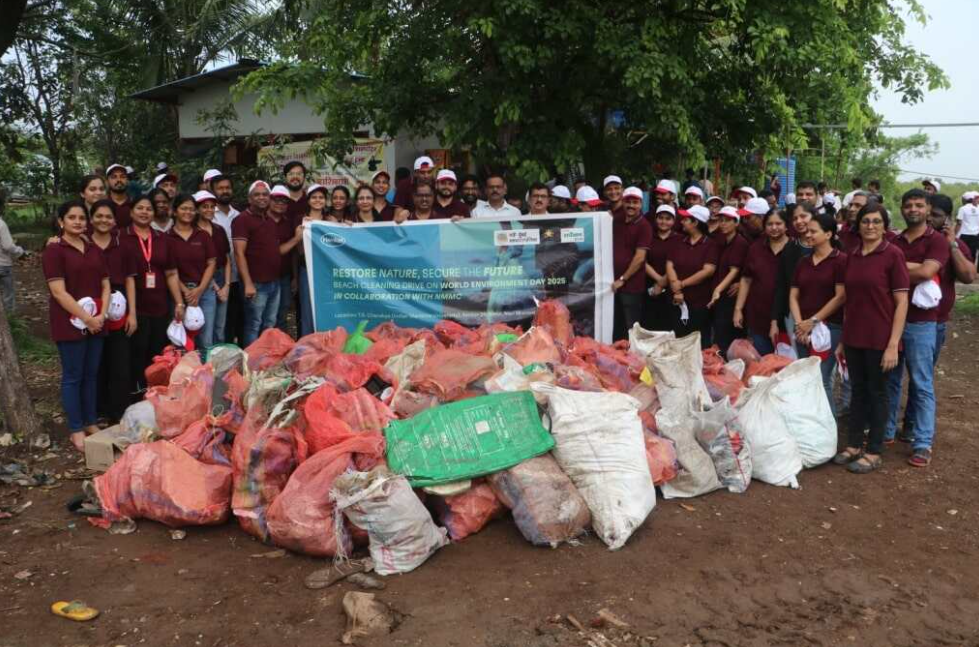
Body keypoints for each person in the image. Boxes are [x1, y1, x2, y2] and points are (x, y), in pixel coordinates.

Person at [833, 202, 909, 473]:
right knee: (857, 392)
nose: (871, 226)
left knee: (878, 394)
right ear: (858, 224)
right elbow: (848, 301)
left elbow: (901, 302)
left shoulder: (893, 255)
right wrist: (843, 339)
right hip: (854, 336)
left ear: (884, 225)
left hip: (881, 338)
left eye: (877, 221)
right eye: (866, 221)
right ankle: (854, 444)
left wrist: (892, 345)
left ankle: (874, 450)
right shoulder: (851, 255)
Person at [883, 189, 949, 467]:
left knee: (921, 384)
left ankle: (922, 443)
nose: (913, 209)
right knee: (890, 380)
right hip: (891, 319)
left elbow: (925, 272)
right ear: (901, 208)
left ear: (928, 208)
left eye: (919, 205)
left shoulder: (937, 241)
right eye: (908, 205)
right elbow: (885, 270)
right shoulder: (893, 240)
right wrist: (912, 267)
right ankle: (885, 432)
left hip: (923, 323)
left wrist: (896, 268)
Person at [43, 200, 111, 451]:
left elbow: (106, 284)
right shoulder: (54, 251)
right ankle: (75, 428)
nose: (78, 222)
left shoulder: (93, 248)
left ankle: (90, 421)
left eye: (82, 218)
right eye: (72, 217)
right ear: (61, 221)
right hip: (69, 322)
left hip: (97, 322)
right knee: (73, 376)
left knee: (91, 375)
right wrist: (88, 318)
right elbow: (58, 292)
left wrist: (102, 315)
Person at [122, 195, 183, 395]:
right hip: (134, 307)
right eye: (139, 208)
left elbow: (172, 273)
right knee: (135, 354)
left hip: (160, 305)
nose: (144, 212)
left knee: (156, 354)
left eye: (148, 209)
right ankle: (136, 394)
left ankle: (155, 394)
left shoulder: (161, 239)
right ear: (131, 212)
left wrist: (179, 303)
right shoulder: (122, 237)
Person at [789, 211, 848, 415]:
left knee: (820, 380)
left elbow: (840, 297)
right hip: (803, 328)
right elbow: (793, 295)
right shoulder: (803, 262)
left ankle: (828, 429)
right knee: (805, 379)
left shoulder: (841, 261)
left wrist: (813, 321)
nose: (809, 235)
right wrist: (799, 324)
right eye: (808, 231)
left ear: (829, 234)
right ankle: (809, 426)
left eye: (814, 231)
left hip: (829, 328)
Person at [88, 200, 137, 423]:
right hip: (92, 306)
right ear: (91, 218)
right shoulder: (84, 244)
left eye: (108, 216)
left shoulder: (123, 245)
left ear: (115, 220)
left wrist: (133, 314)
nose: (104, 220)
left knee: (120, 364)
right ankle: (98, 410)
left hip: (119, 307)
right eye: (99, 216)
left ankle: (119, 413)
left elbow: (129, 280)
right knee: (97, 363)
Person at [232, 181, 281, 346]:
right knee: (253, 325)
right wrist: (247, 283)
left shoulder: (271, 221)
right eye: (257, 194)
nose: (262, 197)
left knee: (269, 325)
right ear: (249, 199)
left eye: (265, 194)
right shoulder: (242, 220)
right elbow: (239, 253)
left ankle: (264, 362)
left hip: (274, 283)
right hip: (256, 285)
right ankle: (250, 364)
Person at [734, 209, 789, 354]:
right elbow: (746, 279)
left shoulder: (794, 249)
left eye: (779, 223)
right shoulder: (755, 249)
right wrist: (738, 309)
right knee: (761, 364)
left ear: (787, 226)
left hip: (786, 317)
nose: (774, 227)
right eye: (770, 224)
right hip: (758, 315)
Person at [929, 193, 976, 361]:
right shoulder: (904, 240)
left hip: (935, 321)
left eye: (935, 215)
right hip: (901, 319)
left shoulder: (955, 244)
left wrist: (952, 246)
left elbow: (969, 276)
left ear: (947, 218)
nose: (929, 219)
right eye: (927, 214)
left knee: (922, 377)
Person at [168, 194, 217, 349]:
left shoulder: (202, 235)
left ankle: (205, 372)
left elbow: (211, 263)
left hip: (205, 292)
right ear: (175, 211)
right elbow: (170, 270)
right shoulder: (167, 237)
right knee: (181, 340)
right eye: (184, 208)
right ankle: (185, 373)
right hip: (179, 294)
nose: (188, 212)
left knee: (206, 340)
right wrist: (187, 293)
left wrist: (200, 289)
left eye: (191, 209)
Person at [666, 205, 718, 346]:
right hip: (677, 299)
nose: (682, 221)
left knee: (698, 341)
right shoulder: (679, 241)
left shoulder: (710, 245)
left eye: (686, 219)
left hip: (699, 302)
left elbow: (708, 270)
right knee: (677, 339)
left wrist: (682, 284)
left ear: (695, 223)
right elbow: (670, 264)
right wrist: (676, 288)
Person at [770, 203, 816, 351]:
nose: (799, 221)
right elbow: (782, 286)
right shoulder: (790, 248)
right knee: (799, 360)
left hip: (824, 317)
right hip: (794, 314)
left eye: (803, 216)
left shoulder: (829, 245)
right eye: (795, 218)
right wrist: (775, 320)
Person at [611, 187, 650, 341]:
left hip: (631, 286)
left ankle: (633, 362)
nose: (631, 206)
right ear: (623, 202)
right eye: (628, 202)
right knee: (616, 325)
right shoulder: (616, 219)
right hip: (612, 284)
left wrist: (623, 279)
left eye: (635, 202)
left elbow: (640, 257)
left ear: (641, 204)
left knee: (631, 328)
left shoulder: (644, 226)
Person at [709, 206, 749, 355]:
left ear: (736, 223)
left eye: (727, 221)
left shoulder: (740, 243)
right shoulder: (723, 241)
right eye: (721, 221)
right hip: (722, 298)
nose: (723, 224)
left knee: (728, 340)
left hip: (731, 298)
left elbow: (734, 271)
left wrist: (718, 290)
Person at [209, 172, 244, 345]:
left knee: (232, 321)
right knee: (215, 323)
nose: (225, 191)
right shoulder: (209, 215)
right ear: (213, 190)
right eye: (220, 188)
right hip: (215, 277)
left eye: (227, 188)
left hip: (236, 276)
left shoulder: (238, 215)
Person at [194, 190, 231, 348]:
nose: (209, 210)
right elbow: (202, 264)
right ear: (197, 209)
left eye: (211, 206)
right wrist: (217, 288)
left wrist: (227, 286)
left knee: (219, 327)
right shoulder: (194, 231)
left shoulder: (219, 229)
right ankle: (205, 366)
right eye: (204, 206)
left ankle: (219, 364)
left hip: (222, 277)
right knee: (206, 329)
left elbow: (227, 259)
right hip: (205, 279)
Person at [268, 185, 303, 334]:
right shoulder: (261, 221)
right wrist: (296, 239)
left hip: (285, 276)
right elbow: (275, 252)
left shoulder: (289, 222)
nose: (280, 203)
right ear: (269, 200)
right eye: (276, 200)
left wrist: (295, 277)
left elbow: (294, 253)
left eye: (284, 201)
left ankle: (280, 348)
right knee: (264, 318)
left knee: (283, 315)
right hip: (264, 278)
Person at [296, 184, 329, 337]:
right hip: (307, 270)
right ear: (308, 201)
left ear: (325, 201)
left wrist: (347, 226)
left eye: (321, 197)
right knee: (307, 310)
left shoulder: (330, 220)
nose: (318, 200)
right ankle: (307, 344)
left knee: (326, 306)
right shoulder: (301, 221)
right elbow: (299, 251)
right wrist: (304, 230)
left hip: (326, 272)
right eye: (314, 197)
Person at [643, 204, 679, 331]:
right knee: (649, 324)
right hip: (649, 286)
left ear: (674, 221)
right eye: (661, 218)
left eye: (668, 219)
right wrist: (658, 280)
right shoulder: (648, 236)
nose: (663, 222)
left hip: (671, 288)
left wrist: (663, 283)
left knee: (668, 326)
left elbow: (678, 263)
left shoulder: (679, 239)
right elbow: (643, 260)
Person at [0, 199, 25, 314]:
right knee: (8, 294)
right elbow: (8, 246)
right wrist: (20, 251)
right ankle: (10, 321)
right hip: (3, 265)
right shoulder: (1, 224)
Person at [105, 164, 133, 229]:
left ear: (127, 180)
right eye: (114, 177)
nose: (119, 180)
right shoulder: (102, 204)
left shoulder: (135, 204)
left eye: (123, 177)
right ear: (107, 182)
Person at [955, 191, 979, 260]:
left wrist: (955, 235)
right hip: (975, 235)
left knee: (962, 254)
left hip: (964, 235)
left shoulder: (962, 208)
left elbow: (959, 223)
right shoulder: (978, 209)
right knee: (972, 254)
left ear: (965, 200)